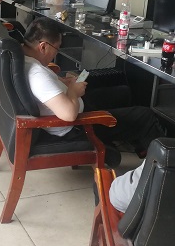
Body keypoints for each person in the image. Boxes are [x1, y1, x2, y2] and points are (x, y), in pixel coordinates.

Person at [22, 17, 165, 168]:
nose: (55, 54)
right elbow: (68, 115)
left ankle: (140, 146)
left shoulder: (27, 60)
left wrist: (62, 82)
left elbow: (47, 89)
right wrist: (73, 91)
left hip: (74, 106)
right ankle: (162, 168)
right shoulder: (37, 75)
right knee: (146, 117)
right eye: (56, 49)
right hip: (78, 126)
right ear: (43, 47)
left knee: (124, 92)